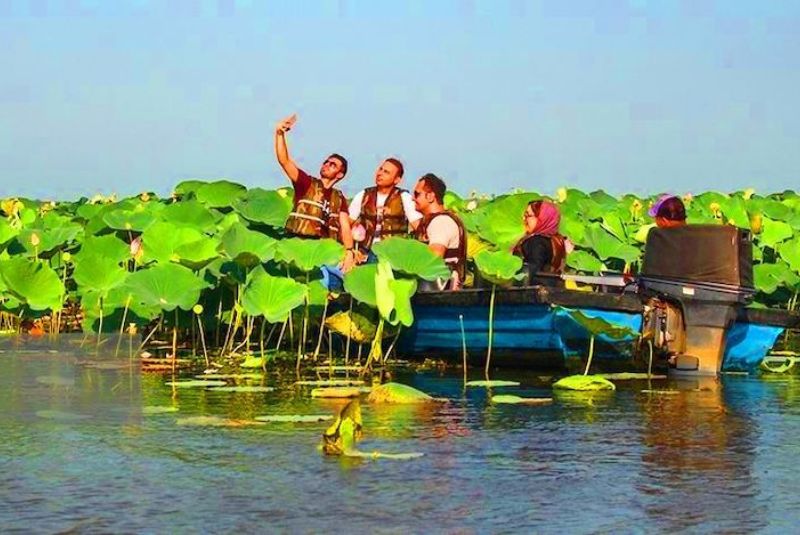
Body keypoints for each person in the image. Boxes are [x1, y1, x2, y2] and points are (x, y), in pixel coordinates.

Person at [274, 114, 356, 288]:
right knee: (321, 282)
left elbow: (345, 225)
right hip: (299, 246)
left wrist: (349, 252)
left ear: (340, 174)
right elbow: (285, 161)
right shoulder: (306, 183)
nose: (326, 165)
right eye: (326, 162)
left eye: (332, 164)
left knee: (350, 275)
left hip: (324, 250)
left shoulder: (338, 197)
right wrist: (280, 134)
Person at [349, 158, 422, 258]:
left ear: (397, 180)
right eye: (380, 169)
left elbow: (418, 226)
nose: (380, 173)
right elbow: (347, 223)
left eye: (386, 172)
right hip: (364, 252)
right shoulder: (363, 195)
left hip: (394, 254)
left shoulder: (404, 197)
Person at [412, 173, 466, 290]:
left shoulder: (441, 222)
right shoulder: (433, 221)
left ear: (430, 197)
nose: (413, 198)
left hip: (439, 292)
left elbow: (434, 258)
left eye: (417, 194)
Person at [512, 200, 567, 282]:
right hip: (552, 288)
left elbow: (533, 269)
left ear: (541, 219)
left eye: (528, 215)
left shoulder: (536, 242)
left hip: (532, 291)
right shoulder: (557, 241)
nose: (524, 219)